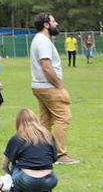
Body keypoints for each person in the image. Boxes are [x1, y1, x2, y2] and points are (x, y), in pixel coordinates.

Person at [29, 12, 79, 164]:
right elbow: (47, 67)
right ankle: (61, 155)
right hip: (49, 87)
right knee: (63, 117)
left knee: (46, 121)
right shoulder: (43, 41)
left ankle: (42, 153)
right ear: (46, 25)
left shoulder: (38, 40)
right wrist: (59, 86)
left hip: (39, 86)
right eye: (53, 21)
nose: (56, 23)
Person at [0, 108, 59, 192]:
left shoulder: (17, 139)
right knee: (45, 167)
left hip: (26, 180)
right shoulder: (48, 136)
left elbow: (4, 165)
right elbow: (53, 160)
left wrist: (10, 175)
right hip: (50, 179)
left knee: (16, 166)